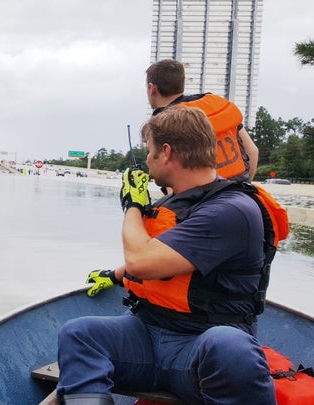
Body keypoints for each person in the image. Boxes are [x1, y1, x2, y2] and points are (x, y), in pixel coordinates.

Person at [56, 107, 278, 405]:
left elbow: (143, 262)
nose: (147, 159)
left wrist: (132, 206)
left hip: (200, 349)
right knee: (80, 333)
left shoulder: (231, 210)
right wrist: (114, 275)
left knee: (229, 346)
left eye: (149, 151)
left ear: (166, 152)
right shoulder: (173, 203)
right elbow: (169, 259)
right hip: (148, 334)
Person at [145, 59, 259, 182]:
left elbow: (171, 172)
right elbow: (252, 151)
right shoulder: (217, 105)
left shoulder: (165, 122)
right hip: (240, 189)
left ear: (152, 88)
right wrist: (246, 186)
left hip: (202, 197)